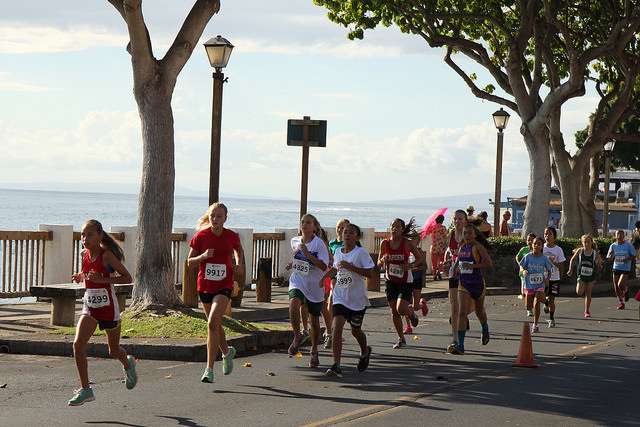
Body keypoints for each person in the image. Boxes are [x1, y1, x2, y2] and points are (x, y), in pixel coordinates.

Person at [68, 219, 136, 406]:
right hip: (90, 306)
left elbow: (127, 277)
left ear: (100, 236)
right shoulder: (84, 254)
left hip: (108, 309)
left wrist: (104, 280)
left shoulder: (107, 256)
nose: (85, 238)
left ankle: (128, 364)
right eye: (83, 234)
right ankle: (86, 390)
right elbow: (90, 273)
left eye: (89, 235)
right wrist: (81, 276)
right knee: (78, 344)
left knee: (113, 350)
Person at [188, 203, 244, 383]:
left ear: (225, 218)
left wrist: (238, 263)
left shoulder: (231, 236)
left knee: (212, 322)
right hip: (205, 286)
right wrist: (203, 256)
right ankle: (227, 353)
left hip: (224, 285)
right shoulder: (201, 236)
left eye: (219, 216)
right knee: (216, 325)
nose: (215, 219)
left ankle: (209, 369)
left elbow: (239, 249)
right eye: (213, 215)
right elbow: (190, 262)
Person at [319, 223, 374, 377]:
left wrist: (351, 267)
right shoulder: (337, 251)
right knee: (336, 328)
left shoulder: (360, 253)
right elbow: (336, 268)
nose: (347, 235)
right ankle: (336, 365)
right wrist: (323, 279)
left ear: (357, 237)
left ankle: (364, 351)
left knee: (355, 331)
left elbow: (369, 273)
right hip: (340, 297)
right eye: (345, 232)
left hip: (357, 299)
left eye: (351, 233)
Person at [286, 214, 330, 368]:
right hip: (298, 281)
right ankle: (298, 337)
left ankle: (314, 350)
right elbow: (300, 259)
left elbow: (324, 266)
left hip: (314, 284)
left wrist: (308, 254)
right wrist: (292, 264)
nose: (304, 224)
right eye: (302, 222)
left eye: (308, 223)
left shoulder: (319, 244)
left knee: (314, 322)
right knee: (293, 307)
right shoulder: (295, 241)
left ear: (314, 227)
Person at [377, 217, 424, 349]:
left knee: (401, 309)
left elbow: (420, 259)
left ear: (402, 230)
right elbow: (378, 263)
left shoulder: (408, 243)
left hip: (405, 281)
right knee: (394, 312)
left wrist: (410, 265)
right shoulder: (384, 244)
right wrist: (382, 260)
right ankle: (401, 338)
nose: (394, 229)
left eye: (397, 227)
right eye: (392, 226)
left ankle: (410, 313)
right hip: (390, 280)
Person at [450, 223, 493, 354]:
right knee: (462, 312)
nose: (467, 235)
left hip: (477, 283)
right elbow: (459, 260)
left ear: (475, 234)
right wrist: (455, 270)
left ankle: (484, 327)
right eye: (465, 233)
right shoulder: (461, 246)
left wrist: (472, 266)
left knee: (479, 312)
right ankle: (461, 345)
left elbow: (488, 264)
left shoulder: (478, 247)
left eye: (470, 233)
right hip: (464, 283)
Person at [442, 210, 473, 353]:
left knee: (466, 308)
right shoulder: (451, 235)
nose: (457, 221)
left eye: (460, 219)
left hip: (468, 274)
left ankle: (464, 317)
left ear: (466, 221)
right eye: (455, 219)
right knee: (454, 307)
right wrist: (447, 263)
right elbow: (449, 252)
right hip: (454, 275)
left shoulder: (469, 236)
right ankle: (456, 340)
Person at [519, 236, 553, 333]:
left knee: (536, 302)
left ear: (542, 246)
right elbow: (521, 266)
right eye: (535, 244)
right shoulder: (528, 256)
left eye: (539, 244)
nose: (536, 246)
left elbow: (549, 270)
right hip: (530, 284)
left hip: (540, 284)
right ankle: (546, 302)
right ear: (532, 245)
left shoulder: (544, 258)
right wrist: (524, 271)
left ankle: (535, 325)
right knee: (528, 307)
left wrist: (547, 279)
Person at [568, 234, 602, 317]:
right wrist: (570, 270)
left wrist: (598, 263)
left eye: (588, 242)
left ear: (591, 243)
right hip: (581, 275)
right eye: (584, 242)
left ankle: (587, 311)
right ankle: (581, 285)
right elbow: (572, 260)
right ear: (582, 243)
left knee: (588, 293)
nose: (586, 244)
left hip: (591, 276)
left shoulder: (594, 253)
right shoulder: (580, 251)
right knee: (579, 292)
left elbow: (600, 267)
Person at [403, 238, 429, 335]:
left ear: (418, 241)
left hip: (417, 279)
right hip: (406, 280)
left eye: (414, 240)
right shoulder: (405, 250)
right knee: (406, 305)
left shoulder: (419, 251)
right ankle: (408, 327)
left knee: (415, 306)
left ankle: (422, 304)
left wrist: (413, 268)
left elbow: (425, 266)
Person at [607, 229, 636, 310]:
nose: (619, 236)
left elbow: (634, 255)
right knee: (616, 286)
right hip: (616, 267)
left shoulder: (628, 245)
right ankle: (621, 303)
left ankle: (625, 289)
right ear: (615, 236)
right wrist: (610, 255)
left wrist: (627, 259)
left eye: (621, 234)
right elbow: (609, 258)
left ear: (624, 236)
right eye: (618, 234)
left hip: (625, 267)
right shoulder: (613, 246)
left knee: (620, 284)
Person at [542, 226, 565, 327]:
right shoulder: (541, 247)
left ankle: (551, 318)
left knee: (552, 298)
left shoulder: (558, 250)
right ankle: (545, 303)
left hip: (554, 277)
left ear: (554, 236)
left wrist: (552, 261)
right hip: (542, 277)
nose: (547, 236)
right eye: (546, 234)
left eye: (550, 234)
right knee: (540, 297)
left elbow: (561, 266)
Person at [516, 234, 536, 303]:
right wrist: (520, 264)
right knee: (524, 289)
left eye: (532, 240)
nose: (530, 242)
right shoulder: (523, 249)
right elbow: (517, 257)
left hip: (533, 273)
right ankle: (523, 295)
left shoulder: (537, 250)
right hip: (524, 272)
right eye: (528, 240)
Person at [430, 214, 448, 281]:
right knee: (442, 261)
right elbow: (446, 236)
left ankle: (434, 275)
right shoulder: (443, 228)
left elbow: (429, 232)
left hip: (433, 247)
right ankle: (439, 271)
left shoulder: (433, 227)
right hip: (441, 247)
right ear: (442, 221)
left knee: (434, 262)